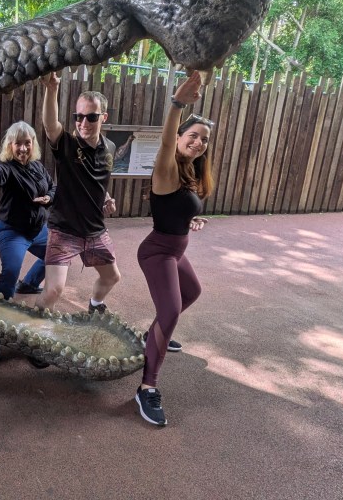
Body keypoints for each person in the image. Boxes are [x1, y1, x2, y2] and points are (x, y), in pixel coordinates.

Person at [134, 70, 211, 427]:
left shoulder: (189, 175)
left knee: (191, 292)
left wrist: (190, 221)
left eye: (204, 140)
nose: (198, 143)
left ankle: (154, 335)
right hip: (158, 252)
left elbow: (179, 210)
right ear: (180, 137)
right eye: (193, 136)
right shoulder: (166, 169)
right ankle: (147, 386)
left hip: (176, 249)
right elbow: (165, 143)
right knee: (172, 309)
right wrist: (177, 105)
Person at [37, 72, 121, 320]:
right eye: (79, 117)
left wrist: (106, 197)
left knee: (112, 276)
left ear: (103, 117)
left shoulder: (111, 148)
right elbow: (50, 125)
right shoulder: (67, 145)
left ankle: (96, 304)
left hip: (95, 230)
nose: (84, 123)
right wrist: (51, 90)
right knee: (53, 290)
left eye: (91, 117)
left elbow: (98, 179)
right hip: (64, 230)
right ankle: (35, 329)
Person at [0, 114, 55, 361]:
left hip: (38, 230)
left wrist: (49, 198)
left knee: (57, 255)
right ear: (10, 146)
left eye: (27, 143)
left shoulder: (38, 167)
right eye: (17, 143)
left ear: (33, 144)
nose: (23, 148)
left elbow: (53, 186)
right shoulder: (7, 170)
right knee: (10, 273)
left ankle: (30, 284)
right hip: (12, 232)